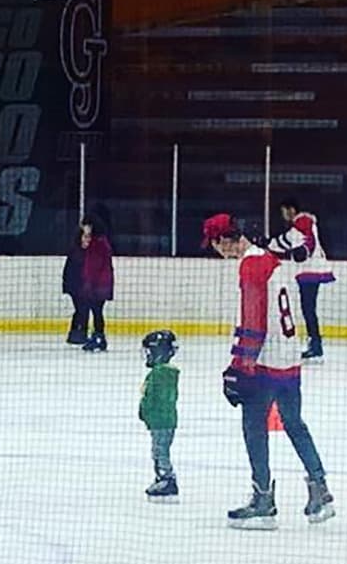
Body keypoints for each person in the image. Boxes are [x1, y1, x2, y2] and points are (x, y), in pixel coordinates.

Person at [204, 213, 335, 529]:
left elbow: (254, 321)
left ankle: (263, 499)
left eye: (214, 244)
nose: (216, 251)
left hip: (263, 364)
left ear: (224, 240)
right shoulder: (271, 260)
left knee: (254, 427)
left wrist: (239, 366)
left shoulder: (250, 265)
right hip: (289, 361)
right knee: (294, 423)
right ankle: (320, 489)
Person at [271, 195, 336, 362]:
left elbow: (309, 241)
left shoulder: (302, 220)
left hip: (311, 271)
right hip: (309, 271)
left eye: (284, 211)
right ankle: (315, 345)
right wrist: (268, 244)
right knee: (308, 309)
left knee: (308, 309)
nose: (283, 215)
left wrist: (304, 251)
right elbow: (285, 243)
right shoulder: (296, 228)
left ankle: (316, 347)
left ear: (291, 210)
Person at [139, 329, 180, 500]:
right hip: (160, 421)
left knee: (160, 450)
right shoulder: (159, 373)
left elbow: (158, 399)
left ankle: (166, 478)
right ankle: (162, 477)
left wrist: (147, 412)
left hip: (162, 422)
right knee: (158, 450)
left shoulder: (161, 374)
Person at [67, 215, 114, 351]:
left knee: (96, 310)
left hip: (97, 284)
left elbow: (93, 265)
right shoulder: (102, 242)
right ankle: (97, 336)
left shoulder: (96, 244)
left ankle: (98, 337)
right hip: (102, 283)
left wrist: (88, 283)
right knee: (96, 311)